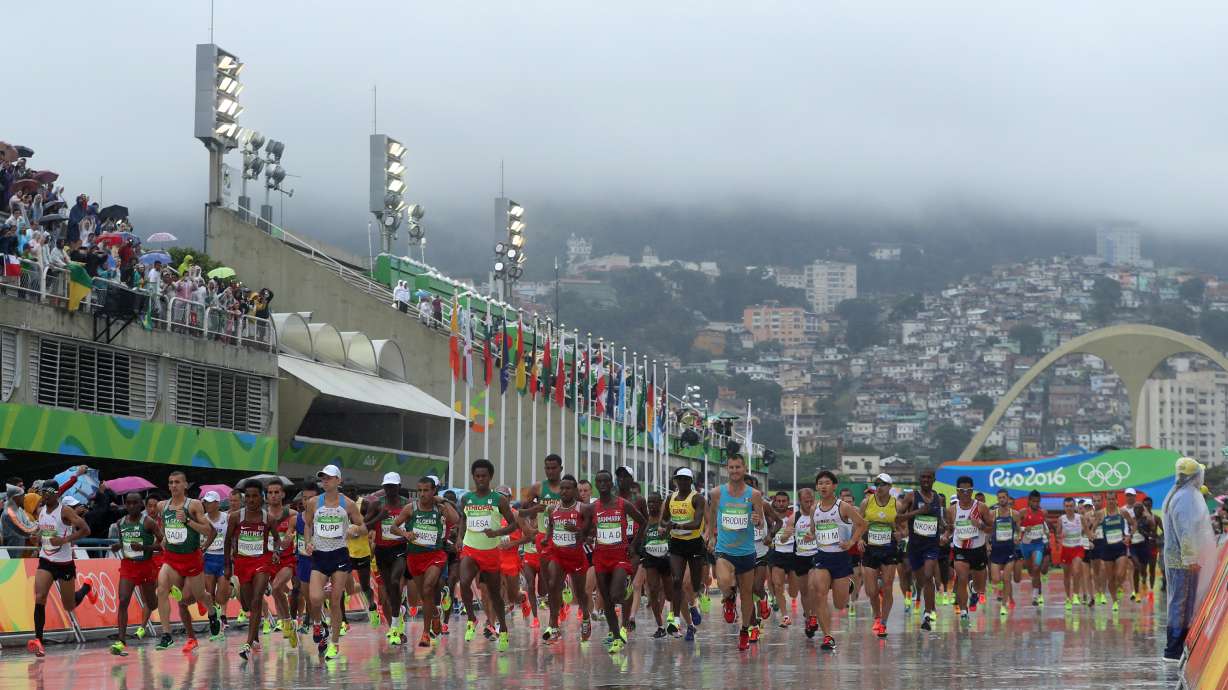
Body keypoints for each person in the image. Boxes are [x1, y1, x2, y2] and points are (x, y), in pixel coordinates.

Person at [302, 464, 368, 661]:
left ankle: (335, 643)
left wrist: (354, 531)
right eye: (323, 477)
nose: (325, 480)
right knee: (314, 598)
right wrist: (308, 542)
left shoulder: (347, 504)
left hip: (339, 555)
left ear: (338, 481)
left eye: (329, 478)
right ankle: (317, 624)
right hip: (320, 556)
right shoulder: (313, 502)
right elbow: (307, 525)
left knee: (336, 601)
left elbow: (362, 526)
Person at [701, 455, 767, 651]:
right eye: (731, 467)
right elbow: (712, 517)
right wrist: (711, 536)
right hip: (724, 550)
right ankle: (728, 598)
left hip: (746, 552)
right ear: (726, 469)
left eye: (738, 467)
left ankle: (744, 630)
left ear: (744, 468)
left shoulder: (754, 494)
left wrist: (757, 520)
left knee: (747, 595)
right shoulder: (717, 493)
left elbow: (761, 522)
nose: (735, 471)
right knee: (723, 581)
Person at [456, 458, 519, 650]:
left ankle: (504, 629)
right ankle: (472, 619)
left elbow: (513, 524)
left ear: (490, 477)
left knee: (495, 595)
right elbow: (463, 520)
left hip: (490, 552)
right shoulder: (466, 498)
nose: (480, 479)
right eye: (477, 476)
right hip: (470, 548)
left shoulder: (498, 500)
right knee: (464, 582)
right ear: (473, 477)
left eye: (484, 476)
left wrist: (497, 533)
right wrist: (459, 537)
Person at [155, 471, 220, 651]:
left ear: (185, 485)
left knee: (199, 596)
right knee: (161, 589)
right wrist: (165, 538)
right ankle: (166, 634)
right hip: (171, 558)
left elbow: (208, 531)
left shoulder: (194, 505)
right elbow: (165, 525)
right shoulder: (162, 506)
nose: (173, 485)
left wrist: (188, 522)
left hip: (191, 560)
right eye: (170, 482)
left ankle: (213, 613)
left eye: (177, 482)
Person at [27, 489, 96, 657]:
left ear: (56, 494)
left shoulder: (65, 511)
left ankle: (87, 586)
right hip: (46, 560)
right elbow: (45, 532)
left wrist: (64, 540)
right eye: (43, 493)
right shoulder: (42, 510)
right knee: (40, 597)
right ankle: (38, 640)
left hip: (64, 563)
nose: (45, 496)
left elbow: (86, 530)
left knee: (69, 605)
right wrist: (37, 537)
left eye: (49, 493)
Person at [1162, 457, 1218, 661]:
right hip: (1182, 562)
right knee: (1181, 603)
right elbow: (1185, 531)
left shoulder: (1177, 493)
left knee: (1179, 602)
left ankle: (1177, 646)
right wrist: (1190, 559)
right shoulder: (1185, 497)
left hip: (1178, 560)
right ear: (1194, 476)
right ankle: (1173, 649)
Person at [393, 475, 458, 647]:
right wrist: (405, 534)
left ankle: (425, 634)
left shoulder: (440, 507)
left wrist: (443, 501)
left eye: (426, 490)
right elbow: (394, 526)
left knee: (429, 588)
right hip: (414, 557)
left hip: (435, 556)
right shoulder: (410, 508)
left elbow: (456, 520)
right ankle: (435, 615)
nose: (422, 494)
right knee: (425, 595)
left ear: (433, 491)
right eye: (420, 490)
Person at [591, 469, 648, 653]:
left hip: (624, 552)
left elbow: (644, 521)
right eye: (599, 481)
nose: (603, 484)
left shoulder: (631, 502)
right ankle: (616, 635)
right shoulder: (595, 506)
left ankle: (624, 619)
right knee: (606, 599)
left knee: (616, 594)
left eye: (606, 481)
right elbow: (586, 526)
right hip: (602, 555)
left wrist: (635, 545)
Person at [811, 471, 867, 650]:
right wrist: (809, 535)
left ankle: (848, 585)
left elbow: (862, 524)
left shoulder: (842, 507)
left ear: (834, 486)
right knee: (819, 594)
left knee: (839, 603)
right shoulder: (815, 508)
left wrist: (851, 541)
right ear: (817, 487)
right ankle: (827, 636)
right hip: (822, 556)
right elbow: (814, 530)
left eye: (827, 483)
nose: (823, 486)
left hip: (841, 557)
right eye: (820, 483)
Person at [225, 482, 282, 661]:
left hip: (262, 562)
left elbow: (277, 540)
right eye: (247, 496)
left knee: (257, 600)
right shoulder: (235, 517)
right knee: (248, 605)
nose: (250, 500)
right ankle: (254, 634)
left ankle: (248, 643)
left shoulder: (268, 519)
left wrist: (275, 553)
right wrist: (228, 565)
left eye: (254, 496)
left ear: (261, 497)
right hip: (242, 563)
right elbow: (227, 541)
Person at [542, 474, 593, 642]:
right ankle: (553, 625)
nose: (563, 491)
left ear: (574, 490)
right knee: (552, 584)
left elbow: (591, 532)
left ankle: (586, 616)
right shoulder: (553, 509)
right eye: (561, 488)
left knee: (580, 592)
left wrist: (578, 530)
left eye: (568, 488)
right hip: (558, 554)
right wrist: (546, 538)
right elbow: (551, 526)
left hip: (576, 555)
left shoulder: (583, 509)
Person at [110, 492, 159, 656]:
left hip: (145, 566)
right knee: (123, 600)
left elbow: (162, 544)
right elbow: (125, 542)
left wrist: (145, 548)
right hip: (128, 566)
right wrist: (118, 546)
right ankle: (121, 640)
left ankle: (162, 592)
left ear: (141, 505)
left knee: (152, 604)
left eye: (134, 503)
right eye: (128, 503)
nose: (131, 506)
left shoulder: (149, 522)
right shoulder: (120, 522)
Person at [898, 469, 946, 630]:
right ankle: (931, 608)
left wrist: (946, 528)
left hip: (931, 545)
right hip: (915, 546)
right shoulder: (911, 496)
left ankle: (927, 613)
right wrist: (918, 511)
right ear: (920, 479)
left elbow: (938, 519)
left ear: (934, 479)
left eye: (929, 477)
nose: (925, 480)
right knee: (922, 581)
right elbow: (898, 517)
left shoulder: (938, 498)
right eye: (923, 477)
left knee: (928, 575)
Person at [366, 472, 410, 645]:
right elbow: (364, 525)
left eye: (393, 486)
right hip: (382, 551)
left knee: (394, 581)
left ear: (399, 487)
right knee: (388, 591)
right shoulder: (377, 504)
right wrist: (379, 518)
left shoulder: (407, 505)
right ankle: (398, 614)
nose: (390, 490)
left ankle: (395, 624)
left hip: (400, 549)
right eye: (387, 487)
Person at [663, 467, 707, 641]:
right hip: (677, 544)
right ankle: (676, 619)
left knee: (693, 585)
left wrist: (679, 526)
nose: (682, 482)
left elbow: (699, 522)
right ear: (675, 481)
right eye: (679, 479)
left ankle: (695, 603)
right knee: (678, 582)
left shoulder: (698, 498)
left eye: (685, 479)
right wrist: (664, 526)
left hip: (695, 544)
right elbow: (664, 519)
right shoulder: (670, 498)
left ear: (691, 481)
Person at [860, 473, 901, 638]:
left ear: (890, 487)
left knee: (888, 586)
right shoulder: (866, 502)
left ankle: (883, 622)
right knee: (871, 590)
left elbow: (903, 527)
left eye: (883, 484)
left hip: (889, 547)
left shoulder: (896, 504)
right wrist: (858, 540)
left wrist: (900, 533)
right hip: (870, 547)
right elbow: (859, 523)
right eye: (877, 484)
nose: (879, 487)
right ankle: (877, 615)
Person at [262, 478, 297, 645]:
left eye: (277, 492)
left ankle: (288, 621)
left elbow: (287, 539)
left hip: (287, 559)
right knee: (276, 592)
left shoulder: (291, 515)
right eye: (270, 493)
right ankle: (286, 621)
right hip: (269, 561)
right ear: (266, 496)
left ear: (283, 494)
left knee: (276, 586)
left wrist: (287, 541)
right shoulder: (262, 516)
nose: (274, 495)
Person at [1091, 490, 1135, 612]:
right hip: (1106, 549)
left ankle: (1118, 586)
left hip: (1120, 548)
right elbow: (1093, 529)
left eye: (1112, 499)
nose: (1111, 501)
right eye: (1109, 499)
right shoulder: (1101, 514)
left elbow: (1134, 524)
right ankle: (1115, 601)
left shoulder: (1122, 512)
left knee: (1120, 574)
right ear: (1106, 500)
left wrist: (1129, 536)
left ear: (1116, 500)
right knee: (1110, 578)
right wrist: (1091, 537)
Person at [638, 492, 672, 638]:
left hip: (666, 559)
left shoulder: (666, 519)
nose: (651, 505)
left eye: (654, 502)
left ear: (660, 503)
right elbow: (641, 539)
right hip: (650, 559)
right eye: (649, 503)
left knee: (670, 592)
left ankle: (677, 618)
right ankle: (660, 626)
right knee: (652, 590)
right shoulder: (645, 521)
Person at [766, 491, 798, 629]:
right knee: (778, 585)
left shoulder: (794, 517)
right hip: (776, 553)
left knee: (793, 591)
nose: (780, 503)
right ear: (774, 501)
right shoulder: (769, 517)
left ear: (788, 502)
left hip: (793, 554)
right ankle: (785, 617)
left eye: (783, 501)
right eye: (778, 501)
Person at [200, 492, 230, 633]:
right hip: (208, 558)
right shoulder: (203, 519)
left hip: (223, 558)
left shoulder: (227, 518)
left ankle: (232, 587)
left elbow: (233, 536)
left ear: (217, 503)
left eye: (210, 502)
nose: (207, 504)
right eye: (205, 501)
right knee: (210, 593)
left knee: (221, 596)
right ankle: (215, 622)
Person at [291, 481, 319, 631]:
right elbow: (290, 537)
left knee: (318, 596)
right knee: (307, 595)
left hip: (321, 562)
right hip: (303, 560)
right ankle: (312, 619)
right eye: (305, 498)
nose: (308, 501)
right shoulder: (296, 519)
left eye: (311, 498)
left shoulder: (324, 516)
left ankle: (316, 623)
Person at [987, 488, 1020, 617]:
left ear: (1008, 498)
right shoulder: (992, 514)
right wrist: (987, 544)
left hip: (1009, 551)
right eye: (999, 497)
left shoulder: (1014, 514)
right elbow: (988, 531)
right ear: (997, 499)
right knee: (995, 579)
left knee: (1006, 578)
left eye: (1004, 497)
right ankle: (1006, 596)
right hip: (996, 550)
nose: (1001, 499)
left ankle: (1004, 605)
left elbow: (1018, 529)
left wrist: (1018, 536)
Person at [1058, 497, 1090, 611]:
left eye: (1071, 506)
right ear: (1064, 507)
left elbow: (1086, 530)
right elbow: (1057, 534)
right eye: (1067, 506)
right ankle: (1068, 597)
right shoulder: (1061, 519)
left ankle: (1076, 594)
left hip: (1078, 547)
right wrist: (1059, 537)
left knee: (1076, 571)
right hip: (1066, 549)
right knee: (1066, 575)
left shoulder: (1080, 518)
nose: (1069, 508)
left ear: (1074, 506)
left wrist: (1090, 539)